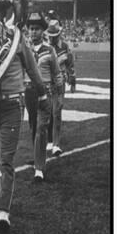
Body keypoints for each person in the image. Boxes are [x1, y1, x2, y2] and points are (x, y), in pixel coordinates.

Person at [0, 0, 49, 233]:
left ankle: (3, 212)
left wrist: (42, 94)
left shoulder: (17, 39)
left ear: (6, 14)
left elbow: (31, 68)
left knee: (7, 159)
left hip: (12, 104)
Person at [25, 12, 63, 182]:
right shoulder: (24, 49)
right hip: (29, 92)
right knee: (33, 125)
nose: (33, 32)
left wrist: (59, 95)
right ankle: (37, 156)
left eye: (36, 29)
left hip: (46, 93)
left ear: (43, 31)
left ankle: (39, 168)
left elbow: (57, 73)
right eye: (31, 29)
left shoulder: (50, 50)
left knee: (41, 128)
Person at [46, 19, 76, 155]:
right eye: (50, 36)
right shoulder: (45, 46)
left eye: (54, 36)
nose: (51, 38)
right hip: (46, 84)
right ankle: (48, 140)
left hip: (60, 84)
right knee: (47, 112)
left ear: (58, 34)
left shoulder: (65, 46)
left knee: (57, 112)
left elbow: (70, 64)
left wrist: (73, 80)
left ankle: (56, 144)